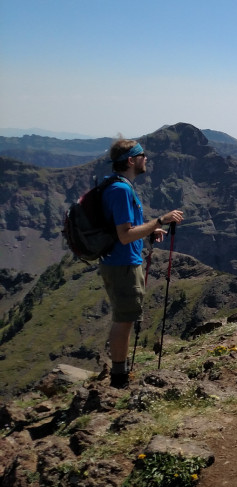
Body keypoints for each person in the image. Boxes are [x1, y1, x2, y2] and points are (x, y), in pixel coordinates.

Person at [99, 138, 184, 388]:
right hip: (122, 263)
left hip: (122, 260)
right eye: (142, 155)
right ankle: (119, 378)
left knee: (125, 317)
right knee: (124, 319)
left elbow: (126, 229)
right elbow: (125, 236)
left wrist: (149, 231)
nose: (146, 159)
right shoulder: (121, 190)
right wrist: (161, 220)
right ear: (131, 160)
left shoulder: (120, 186)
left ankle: (120, 372)